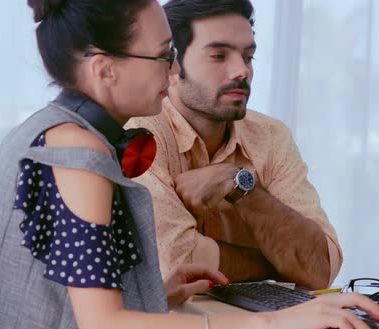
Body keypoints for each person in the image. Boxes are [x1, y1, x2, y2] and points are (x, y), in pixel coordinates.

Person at [0, 0, 379, 329]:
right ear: (105, 69)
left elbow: (72, 297)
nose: (171, 73)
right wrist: (273, 322)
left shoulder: (49, 131)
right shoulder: (78, 151)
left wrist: (153, 294)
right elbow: (102, 324)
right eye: (162, 56)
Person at [127, 0, 342, 290]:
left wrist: (243, 186)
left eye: (248, 57)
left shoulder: (271, 137)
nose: (242, 71)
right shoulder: (139, 133)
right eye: (218, 55)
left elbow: (320, 269)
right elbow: (174, 261)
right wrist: (279, 265)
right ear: (171, 65)